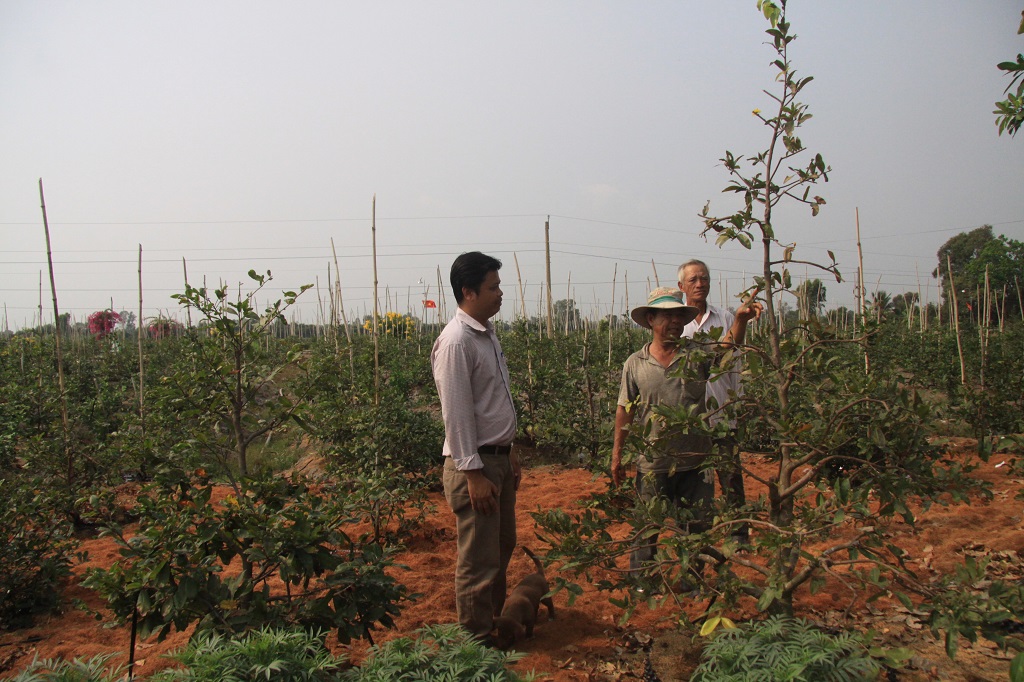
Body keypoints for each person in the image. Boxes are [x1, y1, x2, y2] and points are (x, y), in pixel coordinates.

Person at [610, 286, 759, 576]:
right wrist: (617, 454)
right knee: (647, 529)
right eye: (668, 315)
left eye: (679, 315)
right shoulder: (635, 363)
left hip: (696, 460)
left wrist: (740, 319)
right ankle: (643, 582)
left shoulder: (697, 355)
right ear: (651, 320)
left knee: (696, 529)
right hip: (652, 463)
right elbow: (625, 409)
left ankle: (693, 583)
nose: (676, 321)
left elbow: (727, 352)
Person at [431, 251, 521, 640]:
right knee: (478, 560)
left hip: (496, 461)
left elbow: (492, 403)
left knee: (500, 548)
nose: (500, 293)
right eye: (493, 286)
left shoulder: (485, 335)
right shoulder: (456, 342)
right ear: (468, 292)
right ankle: (476, 641)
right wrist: (473, 473)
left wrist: (510, 452)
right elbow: (457, 414)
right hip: (476, 466)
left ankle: (492, 621)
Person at [678, 260, 748, 540]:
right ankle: (697, 534)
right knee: (692, 480)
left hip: (722, 412)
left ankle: (739, 535)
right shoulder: (676, 324)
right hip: (688, 418)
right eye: (693, 280)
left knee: (730, 476)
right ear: (682, 287)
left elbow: (734, 356)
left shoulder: (726, 318)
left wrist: (737, 404)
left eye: (704, 278)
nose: (700, 284)